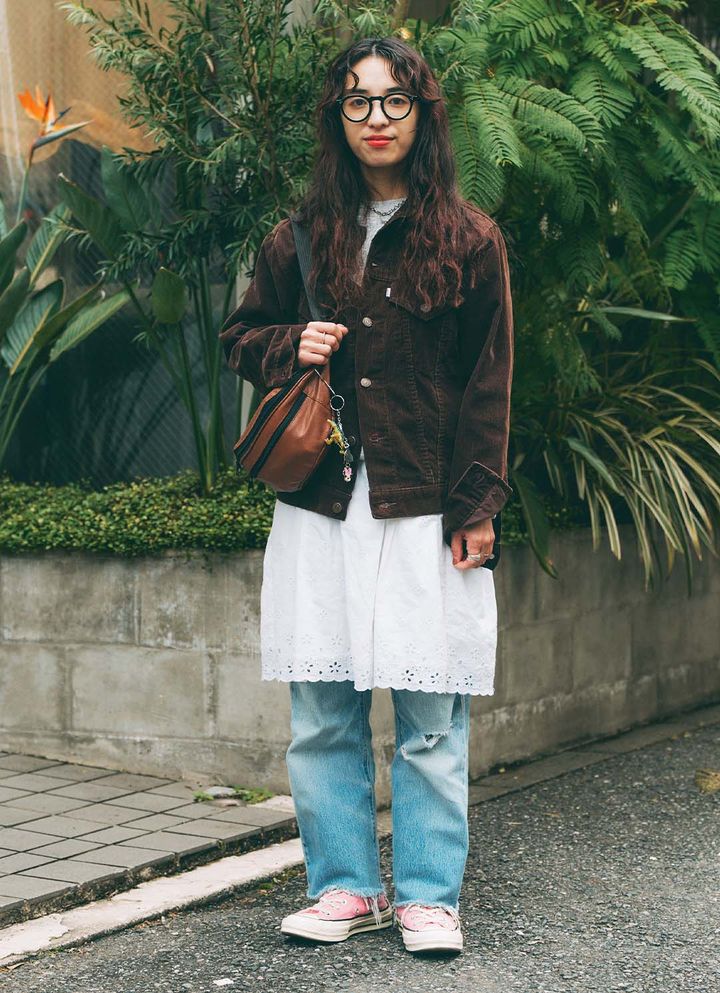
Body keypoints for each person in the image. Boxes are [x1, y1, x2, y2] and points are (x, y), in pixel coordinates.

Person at [220, 36, 514, 955]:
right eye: (358, 101)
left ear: (423, 114)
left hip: (427, 508)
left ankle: (428, 894)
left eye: (394, 100)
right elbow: (240, 336)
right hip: (322, 507)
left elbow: (490, 382)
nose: (376, 118)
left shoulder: (470, 239)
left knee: (431, 718)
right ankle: (346, 885)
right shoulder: (301, 238)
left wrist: (478, 507)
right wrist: (288, 345)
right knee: (321, 713)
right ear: (337, 118)